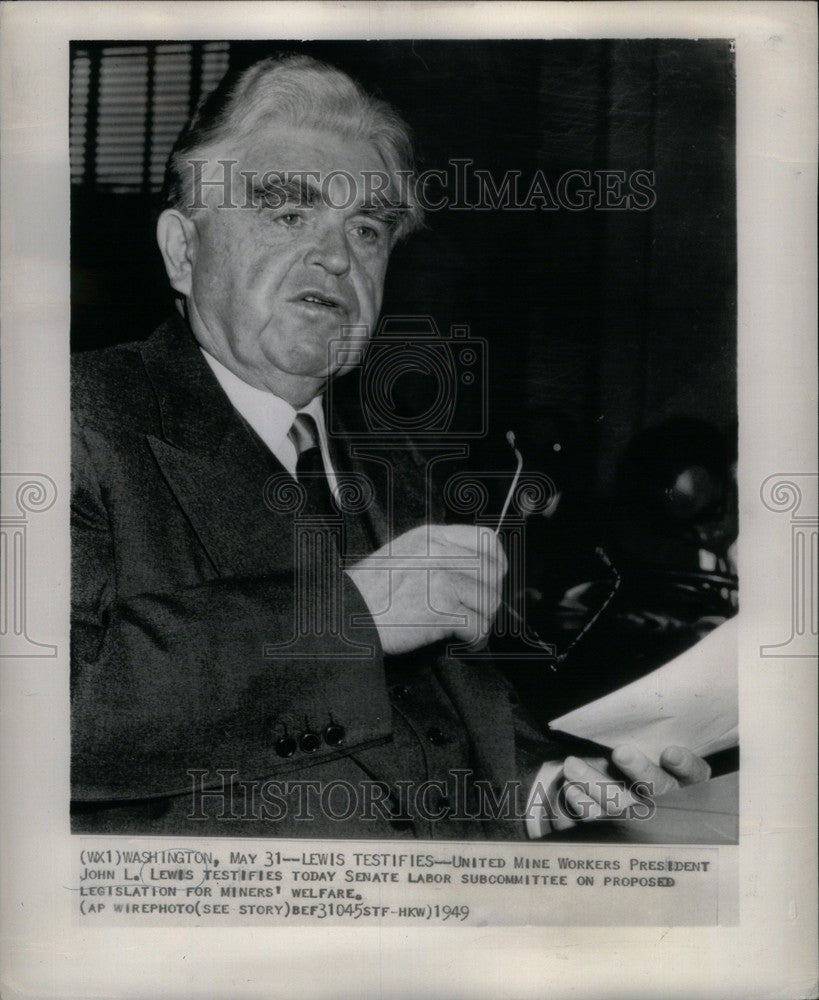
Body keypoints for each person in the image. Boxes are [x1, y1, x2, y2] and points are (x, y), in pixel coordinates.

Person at [71, 53, 709, 840]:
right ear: (183, 249)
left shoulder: (396, 470)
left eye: (366, 228)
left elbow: (445, 724)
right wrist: (354, 614)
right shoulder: (71, 417)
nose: (337, 256)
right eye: (288, 212)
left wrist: (546, 787)